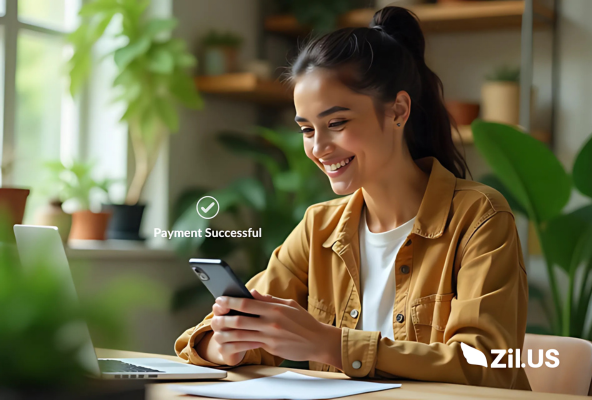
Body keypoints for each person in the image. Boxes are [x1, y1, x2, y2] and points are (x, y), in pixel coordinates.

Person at [175, 6, 530, 390]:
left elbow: (487, 362)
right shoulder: (319, 226)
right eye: (307, 129)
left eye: (336, 123)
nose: (319, 147)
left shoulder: (479, 216)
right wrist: (226, 346)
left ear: (398, 110)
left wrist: (330, 343)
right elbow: (208, 338)